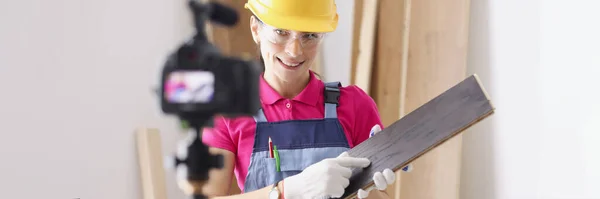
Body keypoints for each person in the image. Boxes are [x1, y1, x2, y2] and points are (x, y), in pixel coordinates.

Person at [198, 0, 403, 198]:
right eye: (281, 32)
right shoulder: (228, 111)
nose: (294, 51)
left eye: (310, 35)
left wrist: (369, 192)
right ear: (256, 30)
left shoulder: (356, 105)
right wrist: (285, 191)